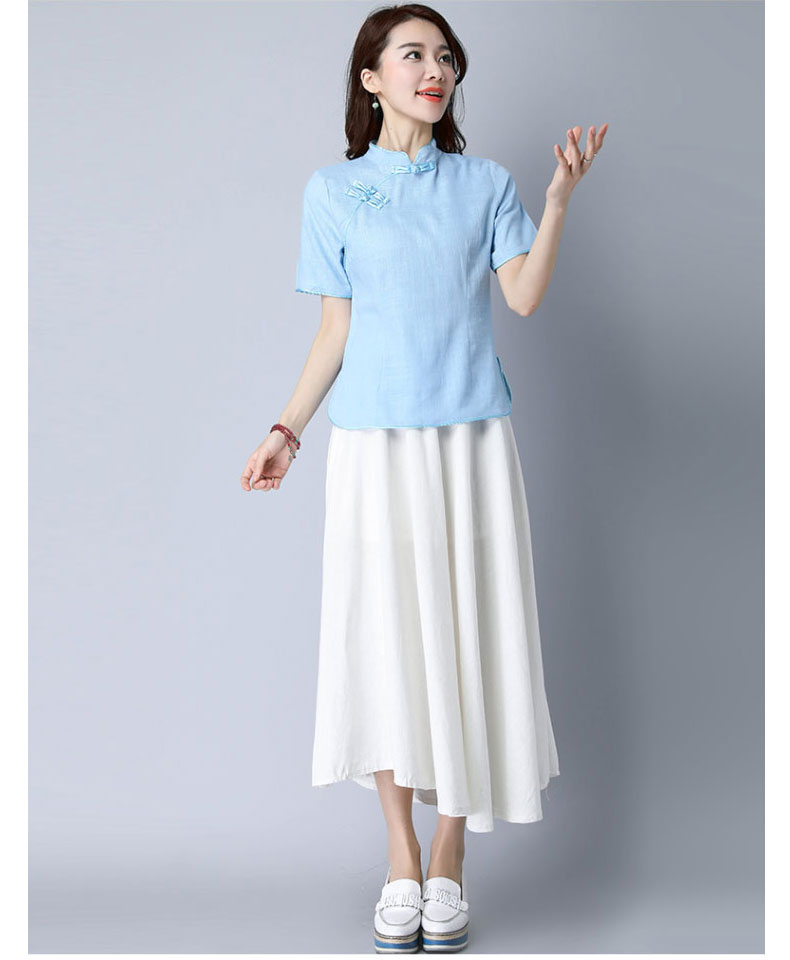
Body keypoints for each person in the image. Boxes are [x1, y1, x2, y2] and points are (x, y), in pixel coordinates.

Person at [241, 3, 608, 952]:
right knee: (388, 643)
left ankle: (450, 855)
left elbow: (522, 295)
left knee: (467, 636)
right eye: (412, 55)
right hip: (374, 450)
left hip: (471, 446)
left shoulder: (484, 184)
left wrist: (558, 200)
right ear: (371, 78)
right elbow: (336, 330)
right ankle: (400, 856)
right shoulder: (333, 190)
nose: (434, 69)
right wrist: (286, 430)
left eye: (445, 56)